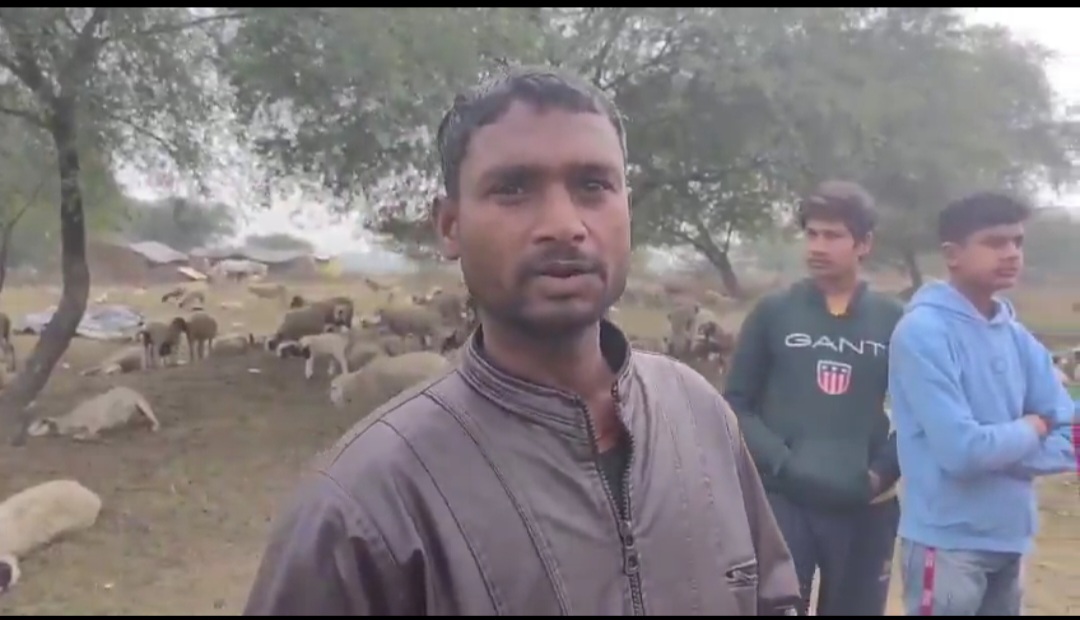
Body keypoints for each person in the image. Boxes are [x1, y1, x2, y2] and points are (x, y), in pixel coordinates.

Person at [243, 67, 801, 616]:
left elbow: (772, 598)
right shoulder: (364, 509)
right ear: (450, 226)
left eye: (593, 186)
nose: (564, 224)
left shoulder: (700, 415)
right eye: (512, 188)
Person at [888, 192, 1077, 616]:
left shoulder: (1018, 338)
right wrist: (1032, 428)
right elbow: (961, 452)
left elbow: (1075, 437)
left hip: (1010, 537)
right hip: (947, 542)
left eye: (1017, 242)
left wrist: (998, 451)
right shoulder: (923, 333)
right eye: (995, 242)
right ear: (952, 254)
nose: (1011, 253)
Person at [724, 181, 903, 616]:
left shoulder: (896, 320)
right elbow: (736, 403)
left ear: (864, 244)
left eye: (834, 235)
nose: (818, 246)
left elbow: (921, 414)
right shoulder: (774, 312)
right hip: (783, 502)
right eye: (812, 234)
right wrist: (782, 462)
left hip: (865, 508)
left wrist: (879, 474)